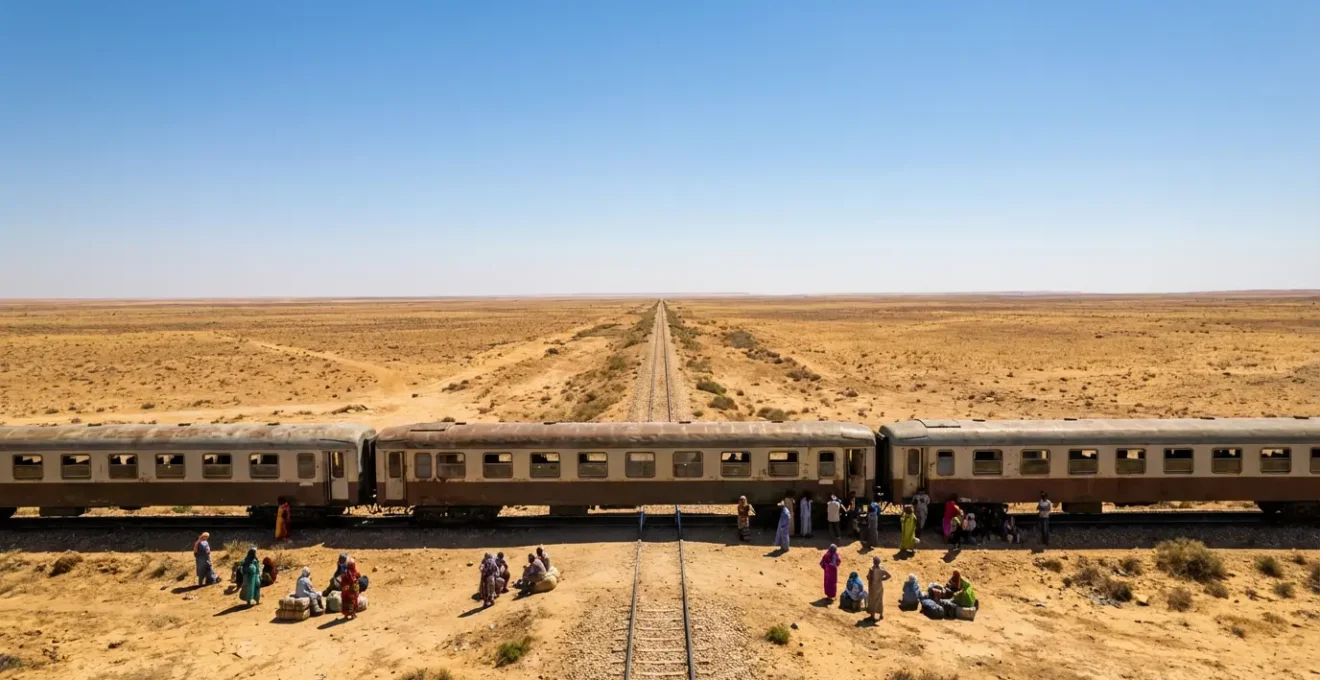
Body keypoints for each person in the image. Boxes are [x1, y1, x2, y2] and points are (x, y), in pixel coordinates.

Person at [866, 556, 892, 621]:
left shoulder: (871, 569)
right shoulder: (881, 569)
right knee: (880, 600)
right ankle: (881, 614)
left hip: (873, 587)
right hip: (879, 586)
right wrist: (882, 579)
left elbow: (868, 577)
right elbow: (889, 576)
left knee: (873, 601)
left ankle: (872, 616)